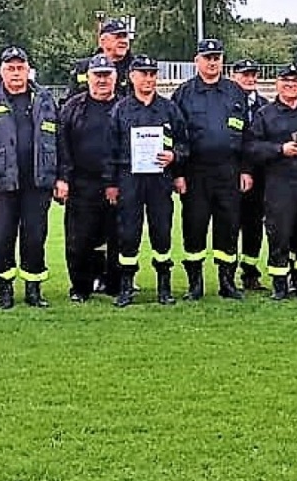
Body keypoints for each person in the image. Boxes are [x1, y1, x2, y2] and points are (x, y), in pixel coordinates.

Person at [242, 62, 297, 301]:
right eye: (286, 81)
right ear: (277, 84)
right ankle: (280, 284)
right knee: (279, 234)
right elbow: (251, 147)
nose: (290, 85)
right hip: (279, 183)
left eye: (295, 81)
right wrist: (280, 149)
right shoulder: (266, 114)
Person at [0, 46, 59, 309]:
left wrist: (60, 177)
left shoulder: (45, 100)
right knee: (2, 238)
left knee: (34, 237)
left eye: (20, 68)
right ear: (1, 71)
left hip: (37, 182)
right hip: (2, 182)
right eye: (10, 68)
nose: (15, 73)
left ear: (28, 70)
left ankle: (33, 290)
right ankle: (4, 290)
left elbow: (60, 140)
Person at [170, 38, 250, 301]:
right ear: (197, 61)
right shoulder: (184, 93)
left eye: (217, 58)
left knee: (229, 227)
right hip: (196, 172)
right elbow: (175, 137)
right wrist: (178, 173)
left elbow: (248, 134)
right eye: (207, 58)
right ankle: (195, 284)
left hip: (229, 171)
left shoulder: (235, 92)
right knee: (194, 227)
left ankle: (227, 282)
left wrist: (246, 169)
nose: (212, 62)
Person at [107, 56, 187, 307]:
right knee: (128, 232)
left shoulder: (169, 109)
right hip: (129, 178)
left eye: (152, 74)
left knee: (161, 230)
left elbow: (184, 142)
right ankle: (126, 287)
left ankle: (164, 286)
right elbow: (110, 150)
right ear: (132, 77)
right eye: (143, 74)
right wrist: (111, 183)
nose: (148, 79)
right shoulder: (120, 110)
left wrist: (175, 156)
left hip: (160, 180)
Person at [56, 55, 121, 301]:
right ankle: (80, 287)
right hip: (82, 184)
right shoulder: (73, 107)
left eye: (107, 75)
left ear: (115, 77)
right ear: (89, 78)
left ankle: (116, 284)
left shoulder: (125, 106)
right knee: (79, 239)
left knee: (118, 237)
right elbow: (62, 145)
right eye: (98, 75)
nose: (102, 80)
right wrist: (63, 178)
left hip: (116, 183)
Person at [231, 58, 267, 290]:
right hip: (231, 174)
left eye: (253, 74)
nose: (250, 78)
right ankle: (227, 274)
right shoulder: (226, 103)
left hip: (260, 175)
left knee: (254, 226)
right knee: (230, 225)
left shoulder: (265, 106)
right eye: (245, 74)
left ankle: (250, 273)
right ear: (234, 76)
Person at [68, 17, 134, 100]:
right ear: (102, 41)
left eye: (125, 36)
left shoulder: (137, 68)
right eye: (118, 37)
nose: (123, 41)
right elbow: (70, 100)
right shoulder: (84, 68)